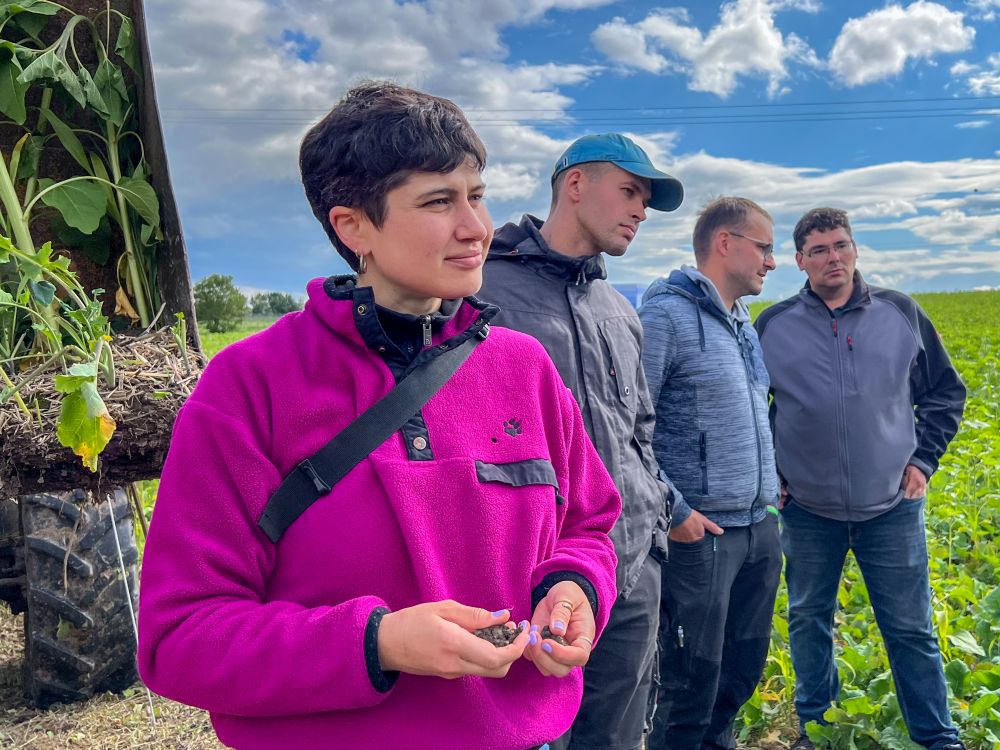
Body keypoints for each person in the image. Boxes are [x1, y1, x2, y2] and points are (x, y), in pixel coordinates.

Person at [136, 81, 621, 750]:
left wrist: (575, 587)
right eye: (438, 201)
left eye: (476, 196)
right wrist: (378, 643)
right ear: (352, 226)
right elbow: (180, 637)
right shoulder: (251, 384)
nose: (476, 228)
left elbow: (588, 525)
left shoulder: (522, 368)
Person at [477, 133, 683, 750]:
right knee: (529, 732)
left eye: (645, 200)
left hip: (630, 571)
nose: (640, 211)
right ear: (574, 185)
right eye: (630, 192)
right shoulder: (483, 292)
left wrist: (652, 532)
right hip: (529, 580)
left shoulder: (618, 309)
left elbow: (640, 430)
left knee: (615, 736)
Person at [754, 207, 967, 750]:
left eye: (841, 245)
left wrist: (923, 461)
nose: (834, 257)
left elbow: (946, 392)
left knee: (911, 628)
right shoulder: (773, 325)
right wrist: (771, 471)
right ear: (800, 261)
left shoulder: (900, 313)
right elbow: (753, 408)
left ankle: (937, 736)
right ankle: (817, 730)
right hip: (808, 509)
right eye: (819, 250)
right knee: (808, 619)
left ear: (855, 249)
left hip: (891, 507)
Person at [638, 196, 782, 750]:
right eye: (764, 247)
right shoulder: (665, 318)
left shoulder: (743, 323)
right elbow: (628, 427)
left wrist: (771, 487)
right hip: (701, 535)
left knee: (741, 670)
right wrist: (675, 511)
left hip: (756, 529)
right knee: (687, 683)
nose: (771, 261)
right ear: (726, 243)